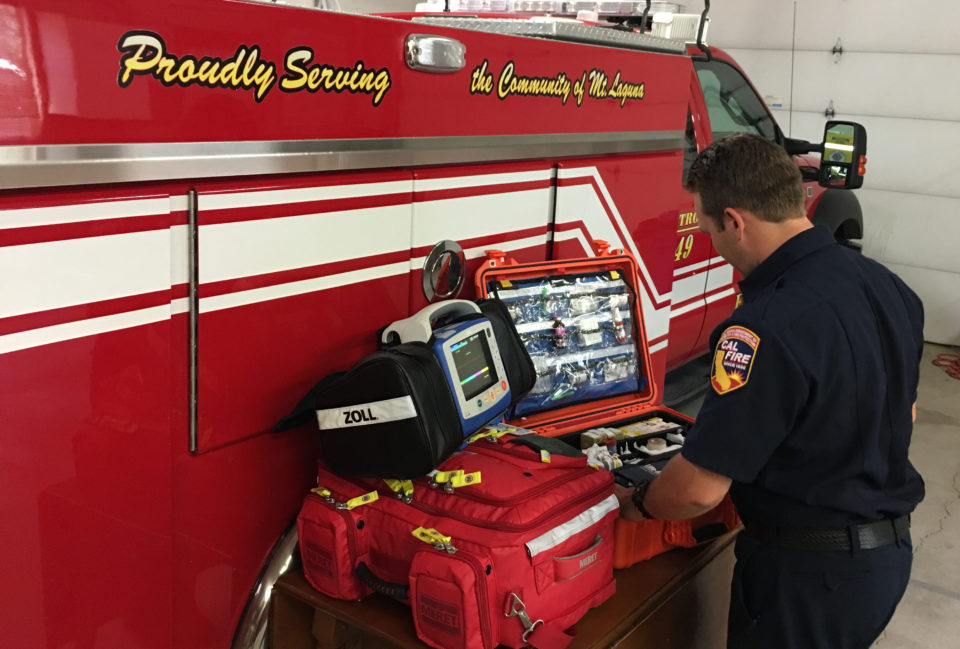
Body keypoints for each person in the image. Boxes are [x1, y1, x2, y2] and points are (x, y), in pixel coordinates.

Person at [615, 133, 925, 649]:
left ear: (735, 221)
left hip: (806, 579)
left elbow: (697, 491)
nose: (714, 243)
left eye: (710, 228)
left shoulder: (761, 328)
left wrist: (635, 503)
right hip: (884, 558)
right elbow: (903, 413)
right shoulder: (888, 286)